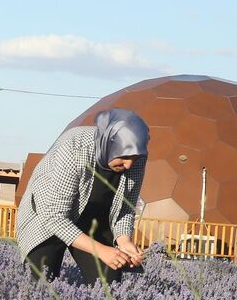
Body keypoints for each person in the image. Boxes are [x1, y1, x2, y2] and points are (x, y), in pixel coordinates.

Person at [16, 109, 150, 284]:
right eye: (124, 156)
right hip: (47, 217)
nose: (129, 164)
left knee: (108, 283)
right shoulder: (74, 148)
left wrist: (124, 240)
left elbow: (125, 208)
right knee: (39, 284)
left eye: (135, 157)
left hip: (93, 221)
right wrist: (101, 250)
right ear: (109, 144)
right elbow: (54, 216)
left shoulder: (137, 158)